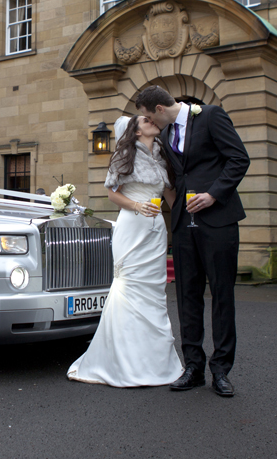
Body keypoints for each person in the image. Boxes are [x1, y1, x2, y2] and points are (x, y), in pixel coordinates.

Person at [135, 85, 250, 397]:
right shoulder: (165, 133)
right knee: (187, 295)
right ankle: (194, 367)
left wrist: (213, 194)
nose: (148, 123)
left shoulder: (211, 116)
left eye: (148, 117)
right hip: (184, 224)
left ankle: (222, 370)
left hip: (219, 221)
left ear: (159, 109)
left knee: (222, 295)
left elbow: (239, 159)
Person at [67, 114, 184, 387]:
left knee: (154, 292)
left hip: (155, 230)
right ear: (135, 128)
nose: (152, 121)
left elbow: (171, 196)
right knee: (129, 288)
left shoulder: (162, 154)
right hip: (132, 226)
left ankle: (155, 362)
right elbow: (112, 193)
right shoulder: (124, 153)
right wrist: (137, 206)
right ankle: (121, 361)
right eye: (146, 119)